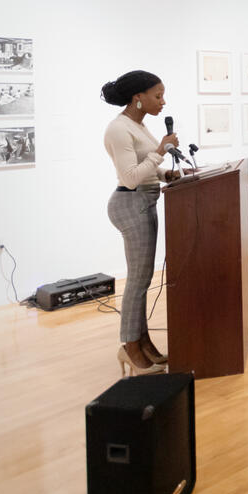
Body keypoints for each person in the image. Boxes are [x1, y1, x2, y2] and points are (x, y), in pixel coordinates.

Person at [101, 69, 183, 377]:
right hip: (129, 204)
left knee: (144, 279)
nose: (163, 102)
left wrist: (166, 174)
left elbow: (146, 169)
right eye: (158, 95)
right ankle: (129, 346)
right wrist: (161, 152)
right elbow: (130, 178)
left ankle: (144, 342)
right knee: (137, 280)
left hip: (145, 202)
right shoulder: (118, 129)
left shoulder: (139, 125)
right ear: (139, 98)